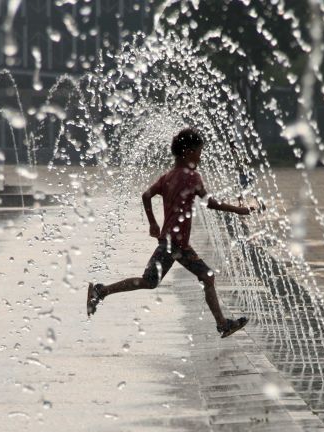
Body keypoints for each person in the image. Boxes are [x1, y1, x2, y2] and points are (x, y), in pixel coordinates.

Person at [87, 128, 253, 338]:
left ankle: (101, 291)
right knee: (189, 278)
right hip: (175, 244)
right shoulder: (192, 177)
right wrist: (239, 210)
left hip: (173, 242)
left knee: (165, 280)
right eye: (198, 152)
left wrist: (153, 224)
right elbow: (210, 203)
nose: (200, 157)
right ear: (187, 152)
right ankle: (101, 291)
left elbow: (146, 196)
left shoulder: (167, 177)